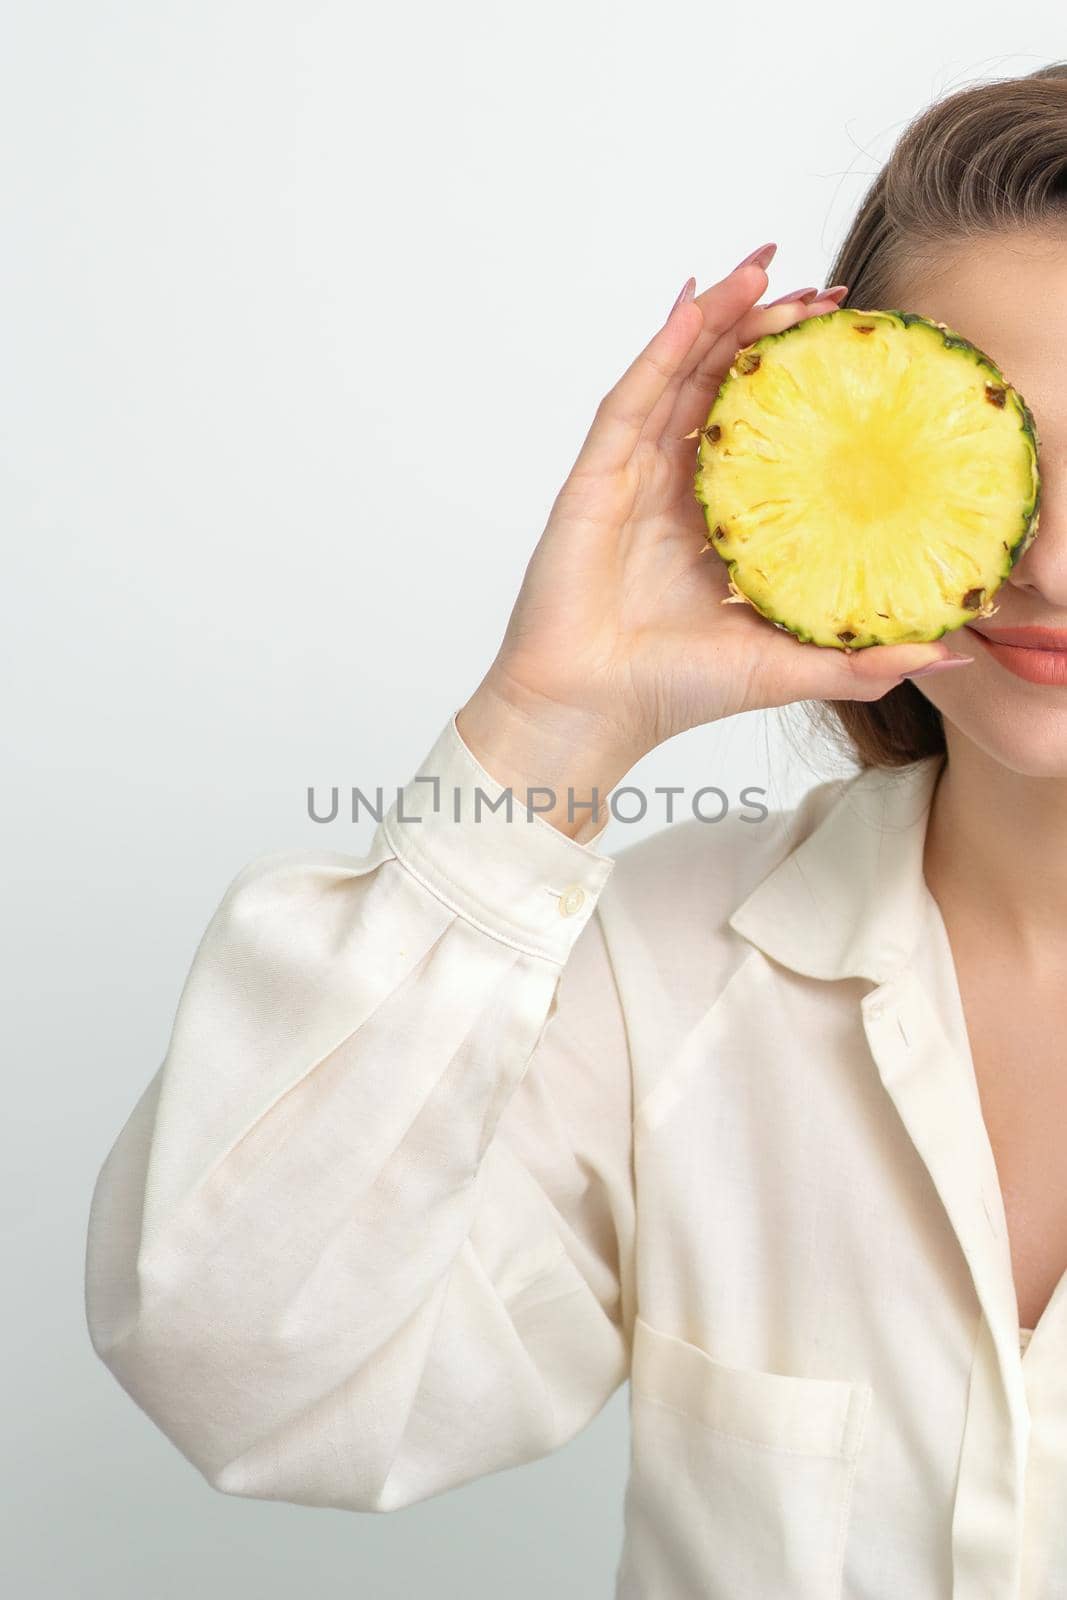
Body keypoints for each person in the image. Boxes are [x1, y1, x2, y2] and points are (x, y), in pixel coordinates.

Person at [85, 62, 1067, 1599]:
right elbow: (247, 1375)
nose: (1052, 559)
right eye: (994, 446)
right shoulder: (660, 970)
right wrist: (553, 727)